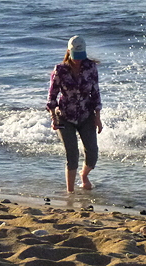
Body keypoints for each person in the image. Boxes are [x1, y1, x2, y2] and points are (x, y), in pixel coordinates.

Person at [46, 35, 103, 193]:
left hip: (86, 116)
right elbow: (52, 97)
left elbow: (96, 94)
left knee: (92, 153)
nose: (78, 60)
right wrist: (53, 117)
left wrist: (97, 118)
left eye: (81, 56)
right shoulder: (60, 70)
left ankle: (84, 175)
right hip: (65, 118)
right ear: (68, 52)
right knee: (72, 156)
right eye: (75, 57)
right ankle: (70, 193)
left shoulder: (91, 67)